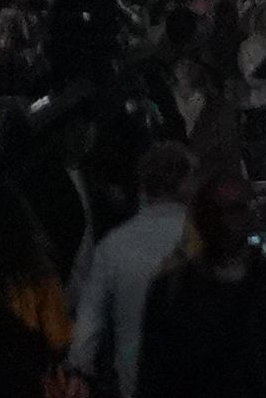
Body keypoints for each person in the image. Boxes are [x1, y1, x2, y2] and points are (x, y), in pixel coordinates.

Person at [141, 161, 266, 398]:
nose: (225, 222)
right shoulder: (171, 293)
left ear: (251, 215)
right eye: (214, 211)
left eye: (235, 210)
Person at [70, 135, 196, 398]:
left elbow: (89, 323)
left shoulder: (113, 247)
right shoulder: (205, 238)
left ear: (143, 186)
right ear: (187, 184)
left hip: (134, 383)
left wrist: (79, 369)